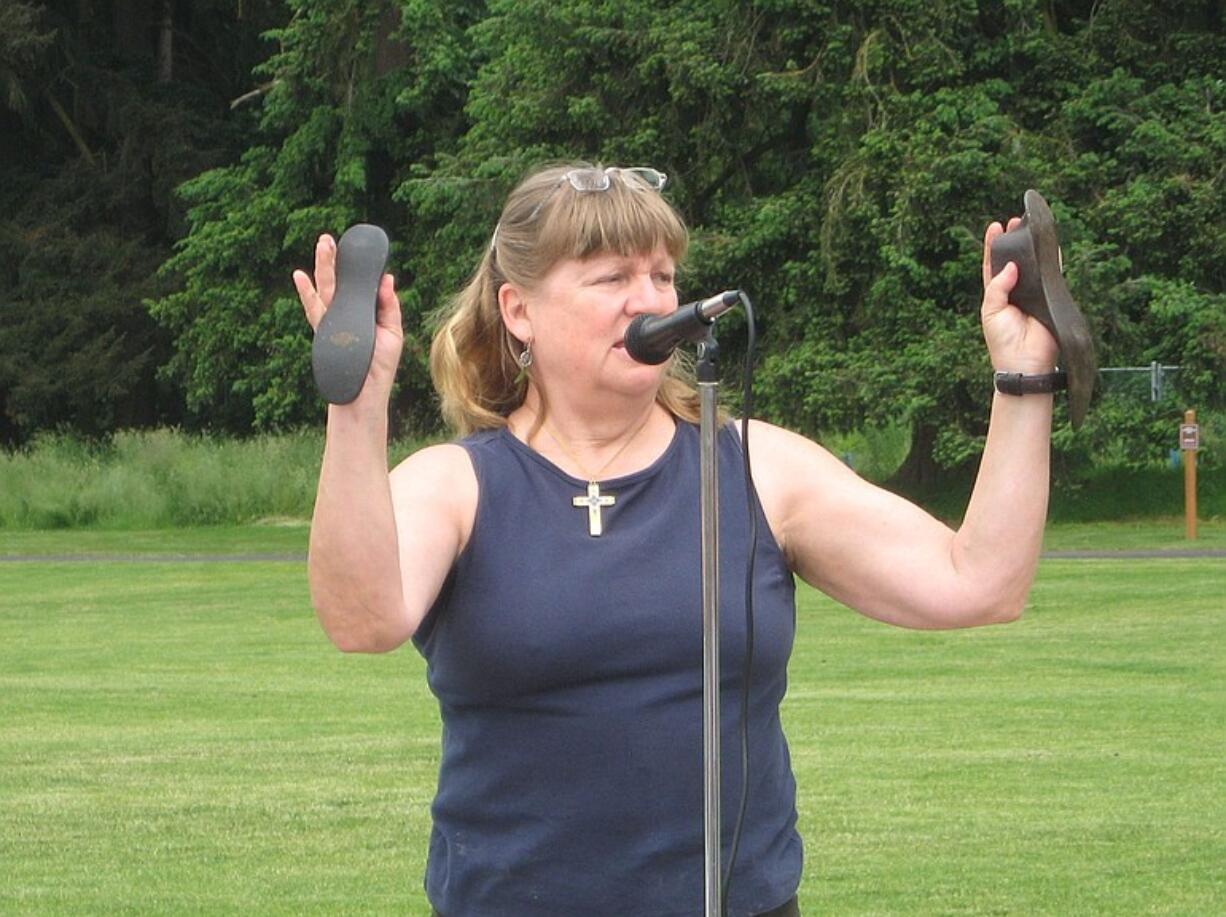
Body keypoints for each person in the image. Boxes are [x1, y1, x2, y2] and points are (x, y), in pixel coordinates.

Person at [292, 163, 1056, 916]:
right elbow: (361, 621)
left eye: (661, 275)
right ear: (518, 310)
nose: (650, 299)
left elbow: (980, 582)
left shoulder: (758, 466)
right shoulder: (456, 484)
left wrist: (1023, 380)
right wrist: (356, 409)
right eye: (611, 277)